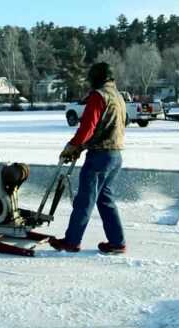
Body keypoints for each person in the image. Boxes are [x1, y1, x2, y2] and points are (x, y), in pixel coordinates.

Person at [49, 62, 127, 254]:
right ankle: (117, 243)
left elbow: (88, 128)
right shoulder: (118, 97)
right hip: (115, 155)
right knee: (105, 199)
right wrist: (82, 147)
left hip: (100, 156)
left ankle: (72, 241)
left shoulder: (98, 96)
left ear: (96, 78)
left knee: (85, 199)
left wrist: (73, 146)